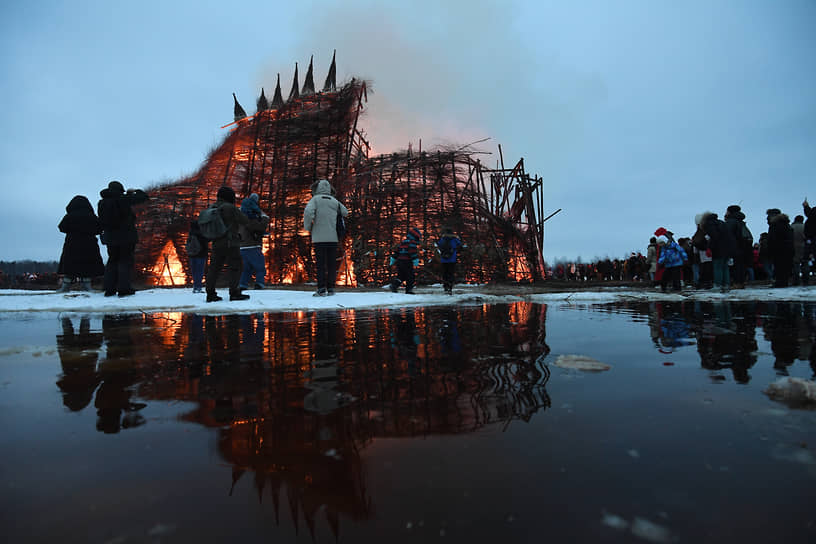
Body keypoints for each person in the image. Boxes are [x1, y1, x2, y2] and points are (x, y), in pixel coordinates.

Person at [97, 180, 149, 297]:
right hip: (126, 237)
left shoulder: (102, 203)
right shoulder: (123, 199)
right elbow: (143, 197)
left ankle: (109, 289)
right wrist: (134, 191)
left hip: (110, 237)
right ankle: (124, 288)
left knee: (112, 261)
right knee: (125, 262)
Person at [205, 186, 251, 302]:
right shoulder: (230, 208)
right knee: (235, 267)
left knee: (214, 269)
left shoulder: (213, 207)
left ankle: (210, 294)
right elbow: (245, 221)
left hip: (216, 243)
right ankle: (234, 292)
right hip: (231, 243)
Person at [303, 179, 348, 296]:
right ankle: (331, 288)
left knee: (321, 264)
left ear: (317, 188)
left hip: (319, 238)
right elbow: (345, 212)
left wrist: (309, 227)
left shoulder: (315, 200)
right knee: (331, 264)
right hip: (333, 238)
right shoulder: (334, 201)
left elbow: (308, 212)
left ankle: (321, 288)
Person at [57, 195, 105, 292]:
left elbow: (62, 228)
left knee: (70, 265)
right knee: (87, 265)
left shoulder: (69, 216)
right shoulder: (92, 216)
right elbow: (99, 229)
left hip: (72, 244)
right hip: (89, 244)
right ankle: (86, 286)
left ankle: (65, 287)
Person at [237, 193, 270, 290]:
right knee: (260, 266)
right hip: (252, 245)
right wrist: (265, 219)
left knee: (247, 268)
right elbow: (258, 227)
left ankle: (243, 284)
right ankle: (259, 283)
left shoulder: (239, 215)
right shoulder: (250, 215)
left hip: (242, 246)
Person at [724, 205, 752, 288]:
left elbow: (728, 235)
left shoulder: (731, 221)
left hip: (735, 247)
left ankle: (737, 283)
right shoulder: (741, 221)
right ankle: (741, 282)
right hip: (743, 246)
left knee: (735, 266)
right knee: (741, 265)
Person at [766, 208, 794, 288]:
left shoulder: (774, 225)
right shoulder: (786, 224)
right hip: (788, 249)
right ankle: (783, 282)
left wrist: (770, 250)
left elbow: (772, 239)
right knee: (785, 267)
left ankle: (779, 282)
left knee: (779, 267)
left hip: (779, 249)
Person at [390, 227, 422, 294]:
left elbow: (397, 251)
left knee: (401, 275)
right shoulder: (412, 243)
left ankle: (394, 285)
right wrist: (415, 260)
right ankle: (408, 290)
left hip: (400, 262)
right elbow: (412, 252)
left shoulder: (403, 242)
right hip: (407, 262)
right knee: (410, 276)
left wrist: (393, 259)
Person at [435, 226, 463, 294]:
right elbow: (460, 245)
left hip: (444, 259)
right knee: (451, 273)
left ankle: (445, 286)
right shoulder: (454, 239)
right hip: (452, 259)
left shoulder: (442, 239)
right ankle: (450, 286)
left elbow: (438, 245)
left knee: (445, 273)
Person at [186, 220, 208, 293]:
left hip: (192, 255)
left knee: (194, 271)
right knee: (200, 271)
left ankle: (195, 286)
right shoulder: (201, 234)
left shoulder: (191, 234)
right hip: (201, 254)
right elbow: (206, 241)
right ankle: (198, 286)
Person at [792, 214, 806, 285]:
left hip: (794, 247)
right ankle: (805, 279)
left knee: (796, 264)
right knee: (804, 263)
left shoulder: (792, 227)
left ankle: (796, 280)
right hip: (804, 246)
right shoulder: (805, 227)